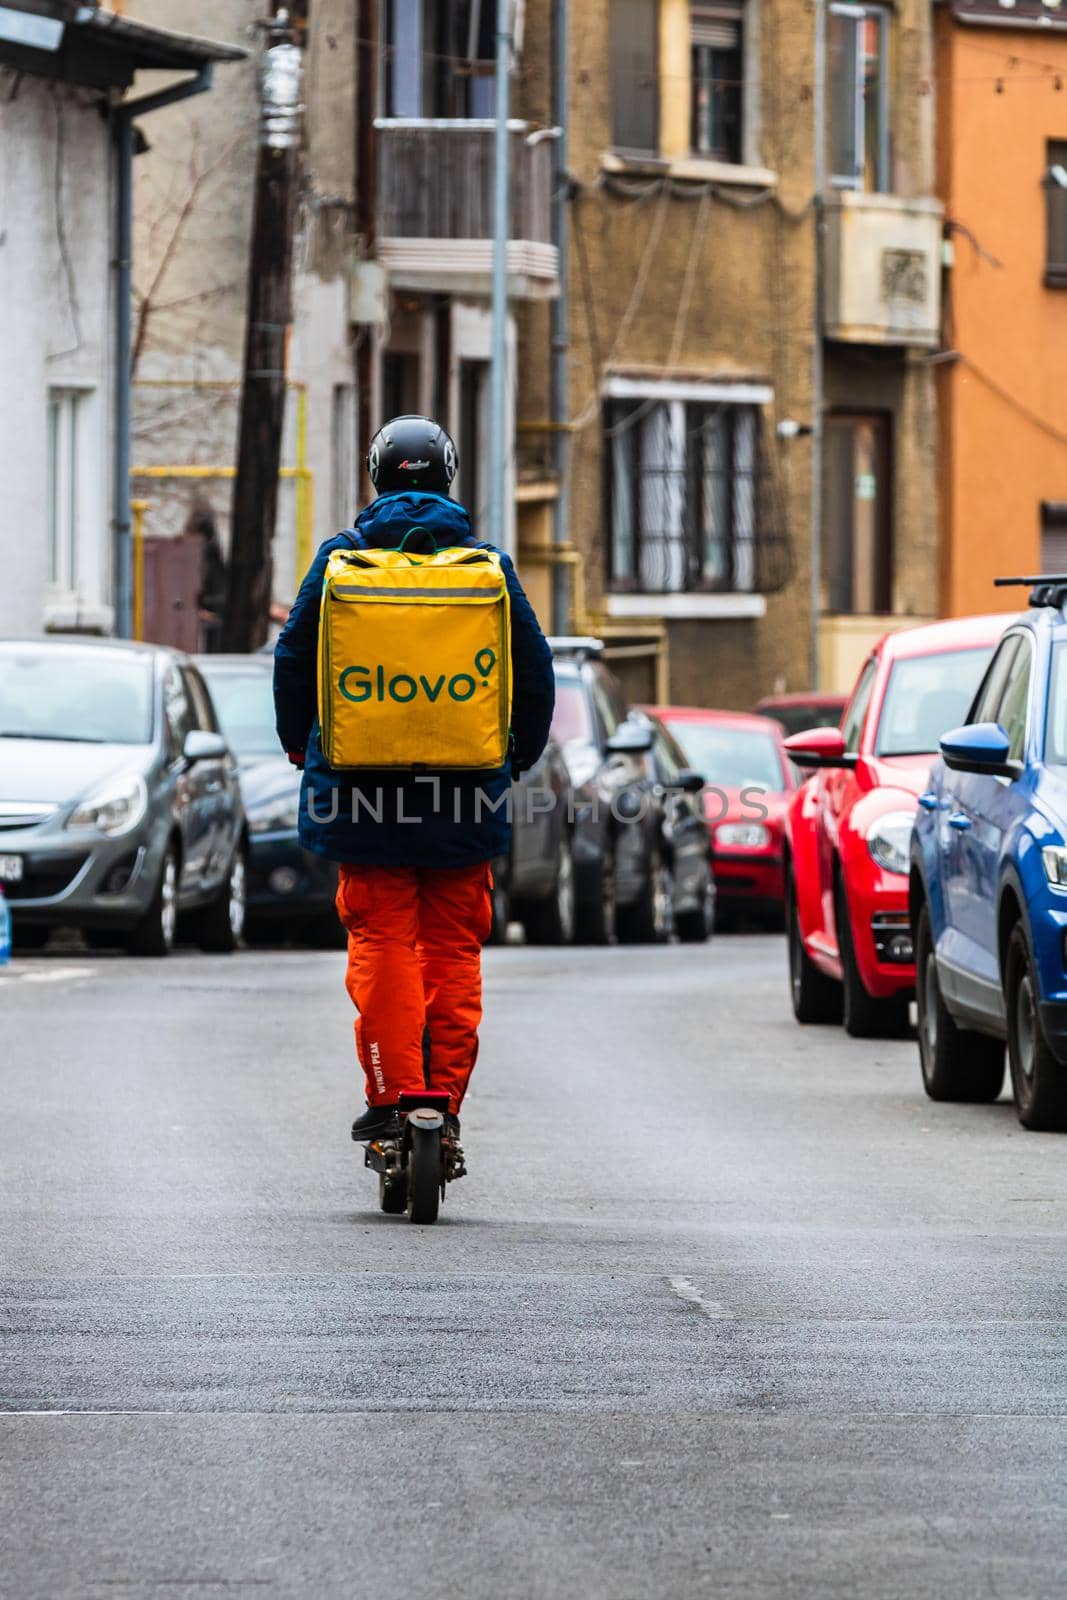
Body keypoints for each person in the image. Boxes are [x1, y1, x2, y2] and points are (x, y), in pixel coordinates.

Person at [273, 415, 555, 1146]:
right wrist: (511, 757)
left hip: (359, 788)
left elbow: (293, 659)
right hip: (466, 788)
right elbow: (535, 672)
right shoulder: (485, 567)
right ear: (449, 475)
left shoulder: (342, 561)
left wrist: (305, 749)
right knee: (453, 947)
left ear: (374, 474)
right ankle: (442, 1101)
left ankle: (394, 1093)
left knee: (382, 940)